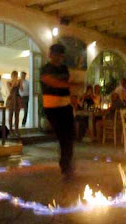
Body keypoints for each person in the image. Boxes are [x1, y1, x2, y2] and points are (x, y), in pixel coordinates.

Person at [41, 44, 75, 178]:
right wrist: (69, 85)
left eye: (60, 54)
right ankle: (66, 166)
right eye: (54, 54)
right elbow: (50, 81)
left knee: (70, 136)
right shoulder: (46, 69)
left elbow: (66, 85)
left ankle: (67, 165)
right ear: (51, 55)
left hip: (65, 104)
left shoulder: (64, 69)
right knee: (62, 136)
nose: (57, 57)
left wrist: (72, 98)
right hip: (52, 107)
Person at [7, 70, 22, 136]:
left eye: (16, 75)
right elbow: (10, 89)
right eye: (14, 76)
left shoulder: (19, 81)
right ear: (11, 76)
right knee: (10, 114)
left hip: (17, 98)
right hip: (11, 99)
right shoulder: (8, 82)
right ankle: (10, 130)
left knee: (17, 115)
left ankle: (16, 130)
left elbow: (22, 89)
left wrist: (20, 83)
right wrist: (13, 83)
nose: (15, 77)